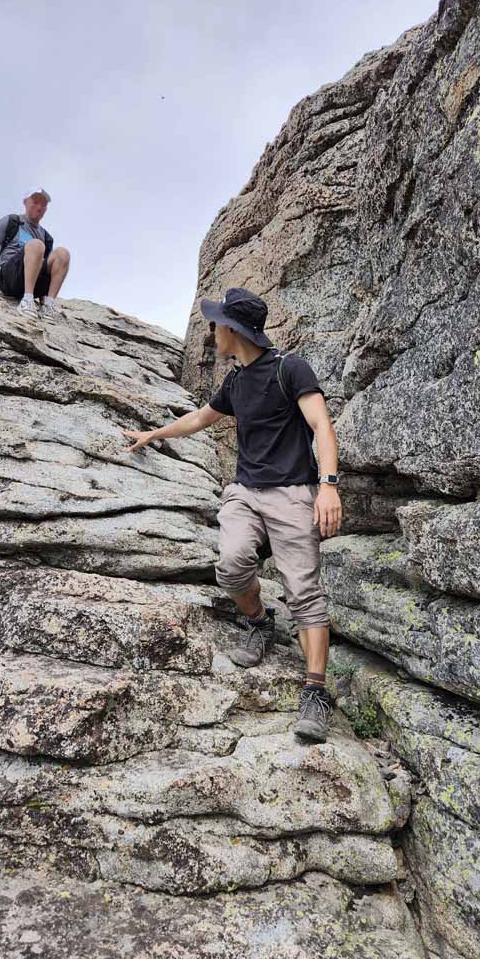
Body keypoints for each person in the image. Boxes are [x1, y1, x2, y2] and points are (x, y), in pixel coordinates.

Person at [122, 287, 343, 744]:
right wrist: (154, 433)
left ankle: (316, 692)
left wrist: (327, 487)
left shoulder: (290, 368)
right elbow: (200, 419)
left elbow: (322, 425)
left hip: (292, 494)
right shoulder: (236, 382)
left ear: (234, 329)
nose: (211, 332)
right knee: (232, 564)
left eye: (216, 324)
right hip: (245, 492)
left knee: (303, 590)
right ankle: (259, 620)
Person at [0, 188, 70, 320]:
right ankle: (27, 300)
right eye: (35, 202)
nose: (39, 207)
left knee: (63, 253)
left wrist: (43, 298)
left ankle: (49, 306)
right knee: (36, 245)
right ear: (25, 202)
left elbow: (46, 270)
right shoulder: (12, 221)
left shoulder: (46, 237)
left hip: (34, 281)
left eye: (43, 205)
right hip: (8, 276)